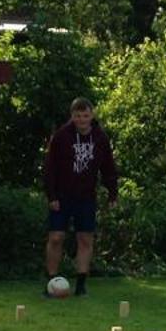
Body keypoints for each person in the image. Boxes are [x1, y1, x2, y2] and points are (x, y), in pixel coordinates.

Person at [43, 96, 118, 296]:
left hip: (86, 196)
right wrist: (51, 196)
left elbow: (108, 167)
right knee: (56, 236)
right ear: (72, 117)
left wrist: (112, 193)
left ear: (91, 115)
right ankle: (52, 280)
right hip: (62, 195)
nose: (82, 120)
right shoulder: (61, 136)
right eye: (78, 116)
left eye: (85, 116)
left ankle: (81, 284)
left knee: (85, 238)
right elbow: (49, 168)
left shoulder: (100, 138)